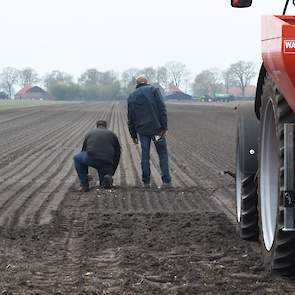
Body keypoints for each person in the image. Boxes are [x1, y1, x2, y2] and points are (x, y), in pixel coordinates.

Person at [127, 76, 172, 188]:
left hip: (143, 131)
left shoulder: (132, 96)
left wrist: (133, 134)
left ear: (137, 84)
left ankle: (146, 182)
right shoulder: (154, 90)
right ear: (147, 82)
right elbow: (162, 109)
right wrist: (164, 127)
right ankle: (166, 181)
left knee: (145, 155)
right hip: (157, 130)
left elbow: (130, 117)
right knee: (162, 154)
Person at [73, 120, 121, 192]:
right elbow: (117, 154)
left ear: (97, 126)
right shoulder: (112, 134)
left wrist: (86, 173)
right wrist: (111, 172)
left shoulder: (90, 133)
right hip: (106, 162)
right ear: (106, 126)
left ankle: (84, 185)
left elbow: (84, 150)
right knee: (103, 183)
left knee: (77, 158)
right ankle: (106, 179)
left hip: (91, 158)